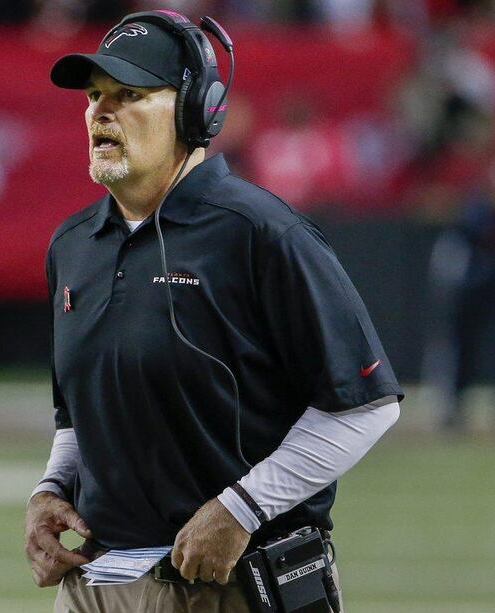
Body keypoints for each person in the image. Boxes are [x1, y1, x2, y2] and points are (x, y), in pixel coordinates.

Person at [24, 10, 403, 612]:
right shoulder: (72, 245)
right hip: (98, 583)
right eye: (95, 95)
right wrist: (51, 490)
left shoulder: (261, 232)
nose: (101, 111)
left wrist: (240, 509)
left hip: (233, 581)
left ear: (194, 111)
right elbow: (77, 410)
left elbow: (364, 405)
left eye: (130, 95)